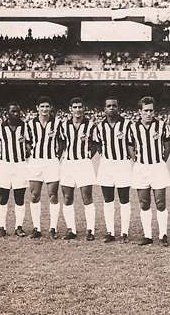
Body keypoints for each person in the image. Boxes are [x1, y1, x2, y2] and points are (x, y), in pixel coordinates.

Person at [128, 96, 170, 246]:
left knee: (160, 202)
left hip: (158, 167)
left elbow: (167, 147)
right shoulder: (133, 127)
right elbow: (131, 148)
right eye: (145, 110)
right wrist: (139, 161)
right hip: (141, 168)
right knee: (144, 202)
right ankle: (147, 235)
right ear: (140, 111)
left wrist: (159, 162)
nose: (148, 113)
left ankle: (163, 234)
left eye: (151, 110)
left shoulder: (162, 126)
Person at [94, 96, 133, 244]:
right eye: (108, 106)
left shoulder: (128, 125)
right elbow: (98, 146)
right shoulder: (100, 126)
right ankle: (110, 231)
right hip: (106, 164)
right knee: (108, 199)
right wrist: (106, 157)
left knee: (124, 199)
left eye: (114, 105)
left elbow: (131, 144)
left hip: (123, 163)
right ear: (104, 109)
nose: (111, 108)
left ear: (119, 108)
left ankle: (124, 232)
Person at [58, 97, 97, 241]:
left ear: (84, 108)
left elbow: (95, 145)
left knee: (86, 196)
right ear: (70, 109)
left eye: (80, 107)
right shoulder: (63, 126)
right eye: (74, 107)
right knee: (67, 197)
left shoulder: (91, 125)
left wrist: (87, 157)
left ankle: (90, 230)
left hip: (83, 163)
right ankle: (71, 230)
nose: (77, 110)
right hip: (68, 163)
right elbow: (61, 145)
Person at [25, 96, 63, 239]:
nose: (45, 109)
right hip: (35, 162)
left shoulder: (58, 123)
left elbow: (61, 143)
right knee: (35, 195)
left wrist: (55, 157)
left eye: (47, 106)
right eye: (42, 106)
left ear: (51, 108)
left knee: (53, 194)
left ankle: (53, 227)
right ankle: (37, 228)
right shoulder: (30, 124)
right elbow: (28, 143)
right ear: (37, 108)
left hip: (51, 161)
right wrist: (33, 155)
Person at [0, 102, 29, 237]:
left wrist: (26, 152)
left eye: (18, 111)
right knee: (3, 197)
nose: (16, 114)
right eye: (13, 111)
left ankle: (18, 227)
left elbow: (31, 144)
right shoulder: (0, 128)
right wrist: (3, 157)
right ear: (7, 112)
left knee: (19, 197)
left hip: (21, 165)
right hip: (5, 165)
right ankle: (2, 227)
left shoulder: (25, 127)